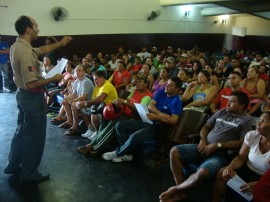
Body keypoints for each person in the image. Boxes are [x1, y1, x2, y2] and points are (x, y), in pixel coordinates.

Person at [4, 16, 72, 184]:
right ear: (29, 29)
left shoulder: (17, 45)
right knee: (34, 137)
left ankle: (12, 165)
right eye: (36, 26)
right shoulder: (25, 52)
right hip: (32, 97)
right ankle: (29, 173)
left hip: (22, 96)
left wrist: (61, 43)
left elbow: (41, 50)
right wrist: (53, 77)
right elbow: (32, 83)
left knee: (21, 133)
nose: (38, 29)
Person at [159, 91, 255, 202]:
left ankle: (175, 190)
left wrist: (218, 145)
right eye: (228, 100)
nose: (227, 103)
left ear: (242, 105)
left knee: (203, 172)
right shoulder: (222, 112)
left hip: (221, 154)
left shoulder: (247, 121)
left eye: (232, 102)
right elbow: (206, 127)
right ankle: (181, 191)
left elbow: (242, 142)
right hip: (203, 146)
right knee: (174, 151)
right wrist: (202, 140)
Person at [102, 76, 183, 163]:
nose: (167, 86)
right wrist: (161, 114)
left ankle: (118, 153)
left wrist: (158, 117)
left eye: (170, 85)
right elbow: (150, 105)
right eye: (167, 84)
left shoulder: (176, 101)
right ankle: (127, 154)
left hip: (158, 127)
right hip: (148, 120)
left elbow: (174, 120)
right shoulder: (161, 92)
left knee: (135, 137)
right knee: (120, 125)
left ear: (177, 89)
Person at [77, 75, 152, 155]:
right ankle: (99, 144)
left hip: (133, 117)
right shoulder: (135, 91)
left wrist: (124, 102)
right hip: (123, 113)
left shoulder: (147, 96)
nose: (137, 83)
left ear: (146, 84)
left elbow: (139, 111)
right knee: (104, 117)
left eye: (140, 82)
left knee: (114, 123)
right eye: (137, 82)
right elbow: (128, 100)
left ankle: (93, 146)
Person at [212, 111, 270, 202]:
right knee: (223, 173)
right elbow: (241, 157)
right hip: (248, 170)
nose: (258, 123)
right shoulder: (252, 135)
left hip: (265, 178)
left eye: (264, 121)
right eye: (259, 119)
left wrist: (259, 184)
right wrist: (230, 167)